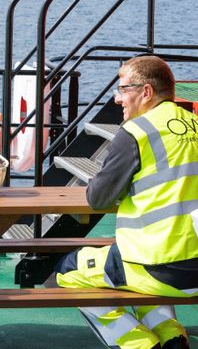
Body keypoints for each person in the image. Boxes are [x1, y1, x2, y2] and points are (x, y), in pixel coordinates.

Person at [55, 56, 198, 349]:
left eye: (123, 89)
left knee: (68, 270)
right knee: (126, 271)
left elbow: (98, 198)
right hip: (192, 264)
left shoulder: (136, 133)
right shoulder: (194, 123)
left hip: (157, 264)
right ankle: (172, 337)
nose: (118, 99)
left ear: (146, 92)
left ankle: (139, 343)